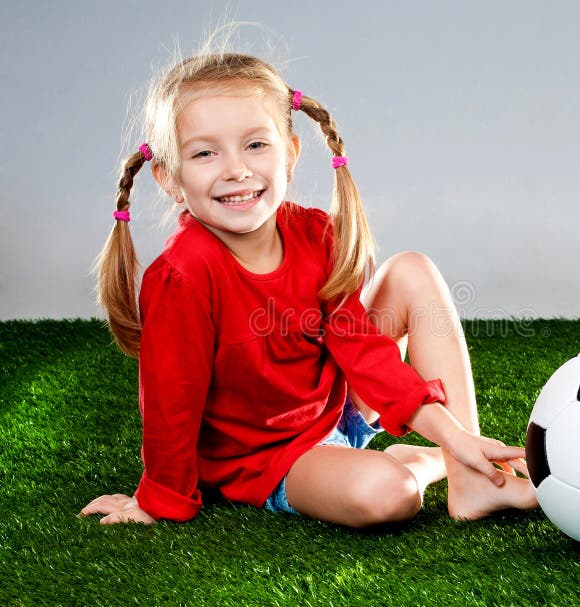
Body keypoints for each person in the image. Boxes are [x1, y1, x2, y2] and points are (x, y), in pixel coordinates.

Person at [80, 41, 538, 528]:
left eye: (256, 144)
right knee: (390, 494)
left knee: (411, 270)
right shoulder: (185, 274)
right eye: (205, 153)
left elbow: (364, 353)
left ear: (291, 152)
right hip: (269, 458)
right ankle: (418, 466)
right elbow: (171, 402)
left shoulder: (317, 234)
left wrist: (453, 436)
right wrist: (160, 499)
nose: (236, 168)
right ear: (170, 179)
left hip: (333, 413)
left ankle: (470, 479)